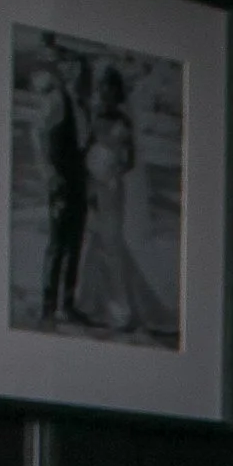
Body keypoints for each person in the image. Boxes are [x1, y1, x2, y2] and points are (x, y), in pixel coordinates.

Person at [76, 65, 176, 340]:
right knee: (97, 242)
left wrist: (112, 169)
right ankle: (91, 303)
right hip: (96, 187)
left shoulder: (124, 122)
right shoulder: (95, 118)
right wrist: (93, 173)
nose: (105, 92)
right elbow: (85, 150)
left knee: (112, 243)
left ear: (117, 91)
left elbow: (130, 160)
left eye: (109, 87)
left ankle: (121, 308)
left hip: (112, 188)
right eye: (102, 87)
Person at [30, 53, 89, 328]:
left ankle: (68, 304)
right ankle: (48, 306)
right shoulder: (56, 101)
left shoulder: (82, 105)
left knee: (75, 243)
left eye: (76, 67)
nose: (71, 72)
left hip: (79, 181)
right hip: (62, 181)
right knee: (57, 243)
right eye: (66, 67)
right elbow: (38, 134)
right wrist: (49, 173)